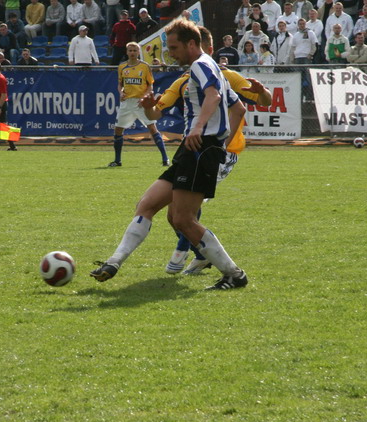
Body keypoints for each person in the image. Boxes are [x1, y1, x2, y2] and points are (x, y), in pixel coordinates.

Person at [90, 19, 249, 290]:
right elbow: (239, 109)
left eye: (174, 47)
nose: (170, 53)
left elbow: (213, 98)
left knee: (183, 219)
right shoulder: (211, 70)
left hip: (200, 148)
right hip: (194, 149)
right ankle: (113, 262)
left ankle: (235, 275)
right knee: (147, 205)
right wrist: (221, 141)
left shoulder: (201, 65)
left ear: (191, 43)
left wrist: (203, 131)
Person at [143, 25, 272, 275]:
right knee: (176, 212)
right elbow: (157, 111)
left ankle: (188, 251)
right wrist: (149, 108)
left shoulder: (225, 75)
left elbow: (259, 101)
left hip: (221, 151)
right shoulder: (183, 81)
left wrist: (261, 92)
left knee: (187, 206)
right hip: (198, 147)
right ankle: (200, 253)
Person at [108, 41, 169, 167]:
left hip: (141, 102)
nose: (132, 53)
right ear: (126, 52)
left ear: (138, 52)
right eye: (130, 50)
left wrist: (146, 97)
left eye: (134, 50)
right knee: (118, 130)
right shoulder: (122, 67)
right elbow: (120, 84)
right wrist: (120, 92)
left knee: (152, 128)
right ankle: (117, 160)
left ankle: (165, 159)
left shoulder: (145, 66)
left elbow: (150, 85)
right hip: (127, 102)